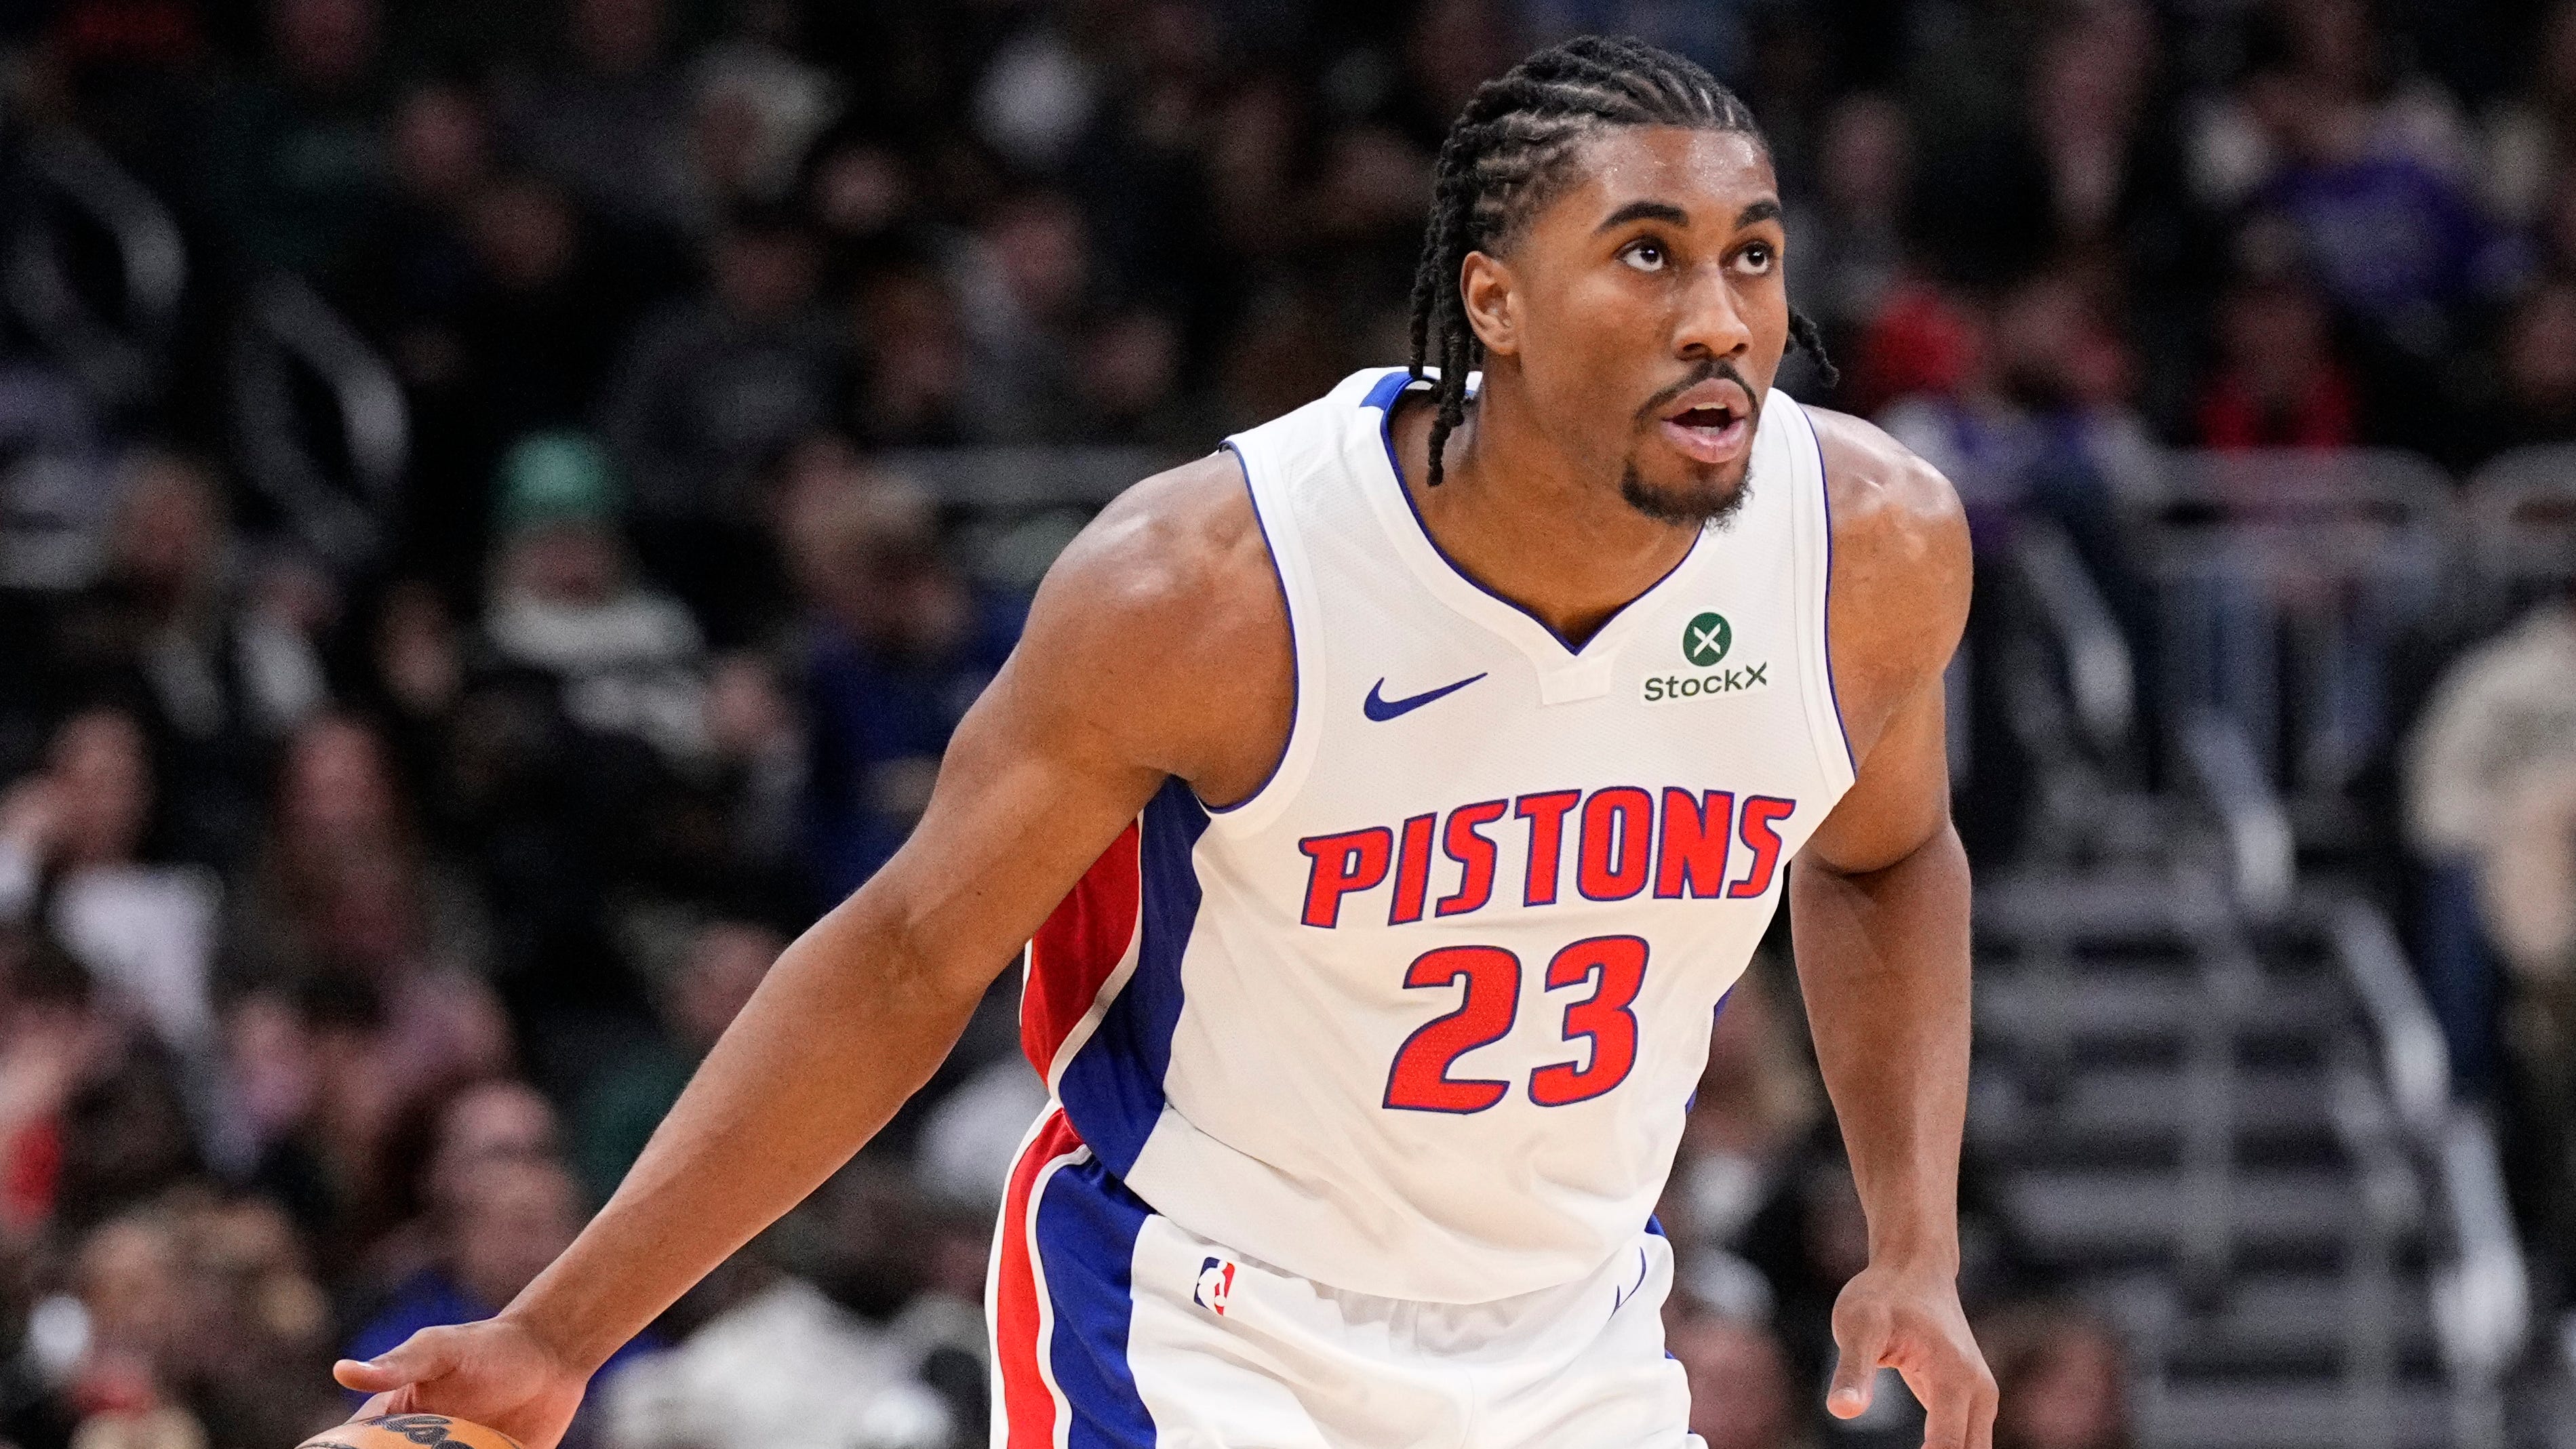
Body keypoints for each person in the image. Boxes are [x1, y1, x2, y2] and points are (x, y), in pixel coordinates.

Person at [339, 36, 1990, 1449]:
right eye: (1646, 255)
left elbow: (1887, 856)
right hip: (1197, 1324)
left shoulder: (1867, 551)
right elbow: (908, 956)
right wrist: (561, 1330)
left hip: (1575, 1339)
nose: (1720, 318)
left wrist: (1913, 1237)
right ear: (1491, 298)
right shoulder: (1211, 585)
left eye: (1752, 257)